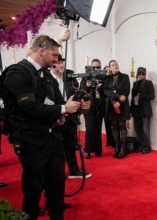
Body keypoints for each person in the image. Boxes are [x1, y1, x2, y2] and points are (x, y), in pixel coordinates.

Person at [2, 34, 88, 220]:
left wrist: (70, 108)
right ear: (42, 50)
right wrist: (64, 108)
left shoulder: (47, 75)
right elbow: (29, 107)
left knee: (57, 182)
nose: (57, 60)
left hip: (53, 138)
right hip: (30, 140)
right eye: (55, 55)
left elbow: (55, 103)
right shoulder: (18, 73)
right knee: (34, 186)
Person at [48, 54, 91, 179]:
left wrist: (82, 103)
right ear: (51, 63)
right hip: (55, 118)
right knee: (56, 148)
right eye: (58, 62)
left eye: (62, 62)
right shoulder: (46, 78)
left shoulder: (70, 76)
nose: (61, 65)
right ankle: (56, 173)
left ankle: (73, 170)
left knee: (70, 145)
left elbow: (77, 93)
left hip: (71, 118)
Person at [81, 59, 114, 159]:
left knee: (98, 128)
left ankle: (97, 150)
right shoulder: (86, 77)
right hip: (89, 106)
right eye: (93, 67)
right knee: (90, 128)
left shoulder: (103, 77)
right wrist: (87, 86)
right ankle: (88, 150)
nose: (95, 69)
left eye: (98, 67)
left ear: (101, 67)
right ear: (90, 67)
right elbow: (81, 89)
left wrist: (102, 85)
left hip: (100, 106)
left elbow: (108, 90)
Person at [104, 60, 131, 159]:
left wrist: (120, 100)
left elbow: (127, 90)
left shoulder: (125, 76)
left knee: (122, 125)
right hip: (111, 105)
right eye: (113, 65)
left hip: (122, 104)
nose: (115, 66)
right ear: (110, 68)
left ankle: (124, 148)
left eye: (116, 64)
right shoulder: (108, 78)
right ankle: (117, 147)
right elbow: (106, 90)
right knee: (114, 126)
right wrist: (117, 95)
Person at [130, 67, 155, 154]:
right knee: (138, 129)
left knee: (145, 129)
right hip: (136, 110)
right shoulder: (135, 83)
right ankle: (140, 146)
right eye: (139, 73)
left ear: (145, 74)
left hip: (145, 110)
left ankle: (146, 147)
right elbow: (133, 98)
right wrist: (131, 110)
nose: (141, 75)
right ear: (137, 74)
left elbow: (152, 96)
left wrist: (141, 95)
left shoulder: (149, 83)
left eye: (143, 73)